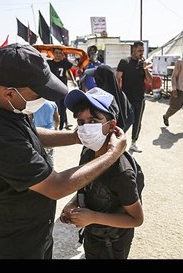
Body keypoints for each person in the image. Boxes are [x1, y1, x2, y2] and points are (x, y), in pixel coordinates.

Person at [0, 43, 126, 259]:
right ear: (9, 93)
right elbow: (55, 186)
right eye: (36, 94)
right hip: (15, 242)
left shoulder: (0, 103)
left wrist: (75, 136)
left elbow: (28, 134)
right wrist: (111, 155)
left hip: (34, 230)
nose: (44, 100)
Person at [60, 87, 144, 259]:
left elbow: (136, 219)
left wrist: (93, 217)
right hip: (93, 234)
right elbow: (87, 185)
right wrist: (73, 203)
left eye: (93, 121)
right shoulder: (88, 151)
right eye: (81, 122)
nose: (85, 128)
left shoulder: (121, 172)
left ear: (111, 125)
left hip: (113, 243)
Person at [116, 41, 152, 153]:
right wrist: (118, 95)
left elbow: (150, 81)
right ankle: (118, 141)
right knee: (126, 121)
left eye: (143, 51)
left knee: (137, 122)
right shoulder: (124, 62)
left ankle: (133, 143)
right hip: (126, 99)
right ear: (133, 50)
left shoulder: (143, 64)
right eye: (139, 51)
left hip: (140, 99)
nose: (141, 53)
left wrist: (145, 68)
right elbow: (117, 78)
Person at [162, 46, 183, 134]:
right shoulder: (180, 62)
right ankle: (166, 116)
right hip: (180, 88)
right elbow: (174, 76)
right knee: (175, 106)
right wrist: (174, 89)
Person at [47, 47, 75, 130]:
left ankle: (61, 127)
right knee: (54, 107)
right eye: (56, 53)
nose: (58, 55)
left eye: (60, 53)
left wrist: (82, 61)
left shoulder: (64, 63)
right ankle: (54, 125)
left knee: (63, 108)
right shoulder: (49, 63)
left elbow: (75, 67)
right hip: (53, 89)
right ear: (53, 53)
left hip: (63, 89)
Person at [32, 100, 60, 167]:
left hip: (37, 132)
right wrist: (56, 129)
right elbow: (57, 119)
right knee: (50, 155)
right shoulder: (53, 104)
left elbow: (30, 118)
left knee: (39, 156)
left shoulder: (35, 105)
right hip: (50, 132)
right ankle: (52, 172)